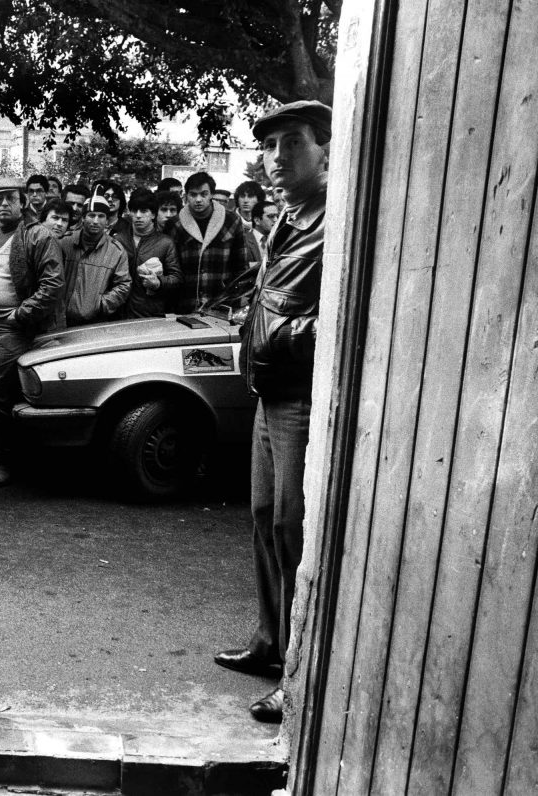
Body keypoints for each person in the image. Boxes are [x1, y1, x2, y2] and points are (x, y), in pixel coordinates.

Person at [214, 100, 331, 725]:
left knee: (292, 527)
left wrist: (281, 334)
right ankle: (270, 639)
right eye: (269, 147)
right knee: (262, 516)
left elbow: (338, 316)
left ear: (325, 150)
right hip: (271, 389)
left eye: (290, 144)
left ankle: (299, 672)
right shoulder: (288, 218)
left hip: (301, 394)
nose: (276, 159)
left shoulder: (337, 219)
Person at [0, 177, 64, 486]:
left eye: (10, 198)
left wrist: (22, 313)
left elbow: (53, 284)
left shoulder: (37, 235)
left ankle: (7, 458)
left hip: (13, 329)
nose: (3, 204)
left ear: (23, 202)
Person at [167, 172, 249, 314]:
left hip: (222, 303)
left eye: (203, 194)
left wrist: (240, 300)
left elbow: (241, 266)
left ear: (211, 194)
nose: (198, 199)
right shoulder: (175, 224)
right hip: (185, 304)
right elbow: (171, 269)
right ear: (186, 196)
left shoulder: (231, 220)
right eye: (193, 195)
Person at [60, 191, 130, 326]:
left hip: (94, 323)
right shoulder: (65, 242)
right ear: (83, 218)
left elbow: (124, 285)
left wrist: (99, 304)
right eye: (91, 215)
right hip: (60, 320)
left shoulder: (116, 251)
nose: (96, 221)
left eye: (101, 216)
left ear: (107, 220)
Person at [112, 191, 182, 318]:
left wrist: (159, 283)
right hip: (118, 312)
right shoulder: (118, 240)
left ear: (153, 214)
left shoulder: (165, 243)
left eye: (144, 211)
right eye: (134, 210)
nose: (138, 215)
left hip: (150, 314)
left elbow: (176, 278)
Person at [249, 200, 280, 265]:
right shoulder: (244, 240)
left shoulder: (279, 239)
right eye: (271, 216)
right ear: (257, 220)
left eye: (277, 216)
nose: (276, 220)